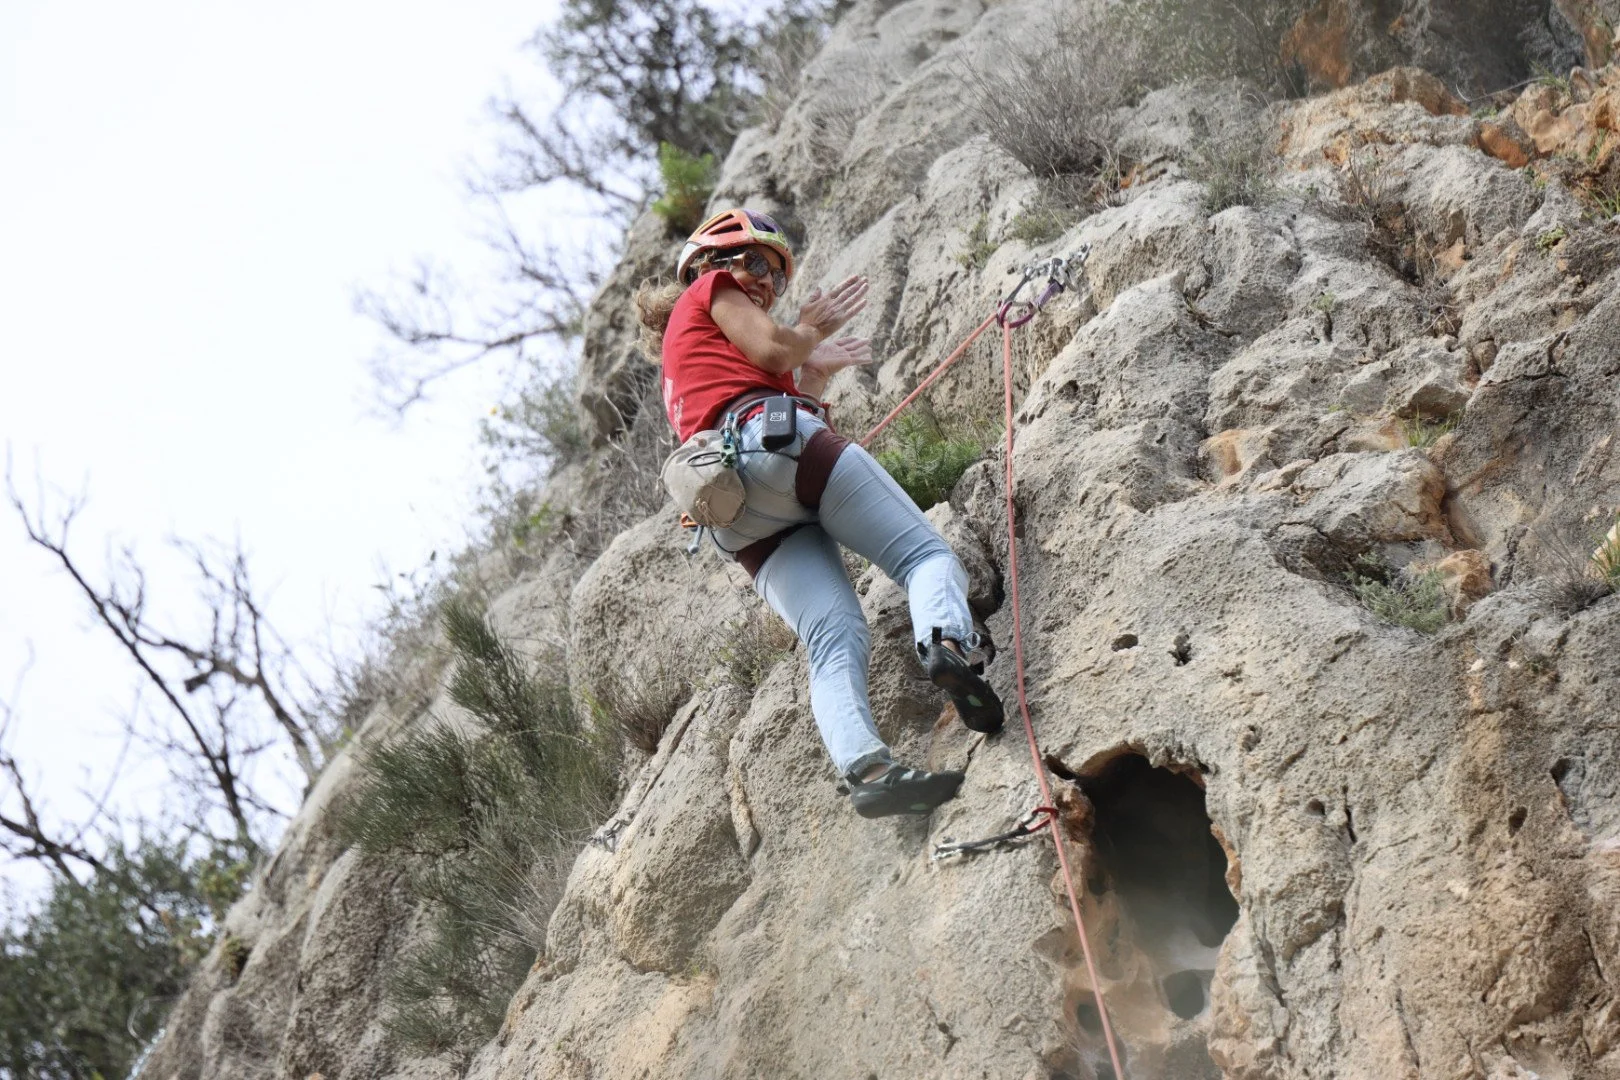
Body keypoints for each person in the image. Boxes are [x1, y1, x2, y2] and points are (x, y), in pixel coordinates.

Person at [635, 208, 1004, 818]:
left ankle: (869, 769)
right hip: (771, 449)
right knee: (924, 556)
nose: (763, 283)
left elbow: (768, 386)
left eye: (774, 277)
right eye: (753, 262)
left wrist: (814, 373)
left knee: (832, 637)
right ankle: (947, 645)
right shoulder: (709, 291)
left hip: (731, 511)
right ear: (708, 264)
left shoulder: (691, 356)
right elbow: (774, 348)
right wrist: (805, 329)